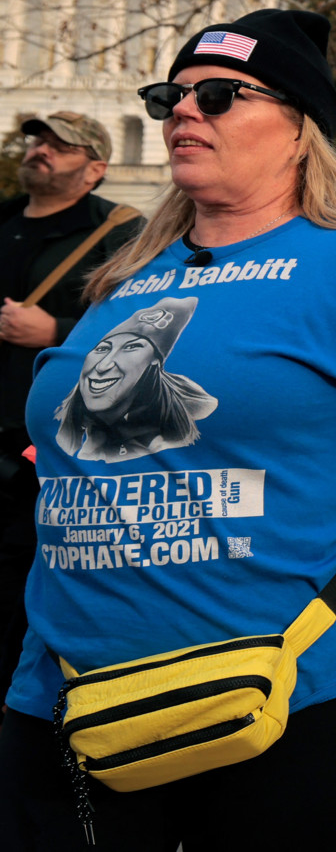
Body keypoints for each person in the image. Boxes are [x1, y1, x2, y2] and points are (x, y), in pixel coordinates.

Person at [0, 10, 336, 850]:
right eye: (171, 95)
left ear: (297, 130)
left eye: (218, 95)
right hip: (64, 687)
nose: (184, 111)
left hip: (274, 691)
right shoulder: (125, 274)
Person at [0, 113, 144, 689]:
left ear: (96, 169)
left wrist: (54, 330)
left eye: (61, 146)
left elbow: (143, 334)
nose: (41, 151)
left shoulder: (118, 230)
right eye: (39, 141)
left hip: (45, 451)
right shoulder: (6, 217)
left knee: (21, 583)